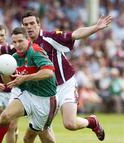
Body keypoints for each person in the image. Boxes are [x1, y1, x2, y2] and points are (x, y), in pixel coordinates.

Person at [20, 11, 112, 142]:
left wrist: (95, 28)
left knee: (70, 124)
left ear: (39, 24)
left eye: (32, 23)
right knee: (42, 128)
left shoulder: (50, 37)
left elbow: (74, 35)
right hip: (46, 91)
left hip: (65, 84)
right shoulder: (23, 45)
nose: (29, 27)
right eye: (25, 24)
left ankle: (92, 122)